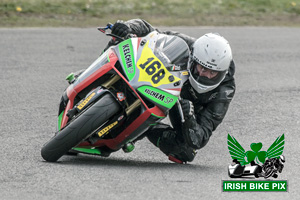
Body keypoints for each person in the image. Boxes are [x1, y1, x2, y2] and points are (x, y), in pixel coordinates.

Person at [107, 19, 236, 163]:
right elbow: (150, 31)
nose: (205, 75)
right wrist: (127, 27)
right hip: (163, 80)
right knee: (121, 40)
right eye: (203, 68)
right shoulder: (189, 45)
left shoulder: (224, 90)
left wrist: (190, 119)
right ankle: (94, 76)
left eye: (213, 73)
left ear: (222, 73)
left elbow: (201, 137)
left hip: (183, 106)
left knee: (185, 151)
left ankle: (143, 127)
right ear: (193, 59)